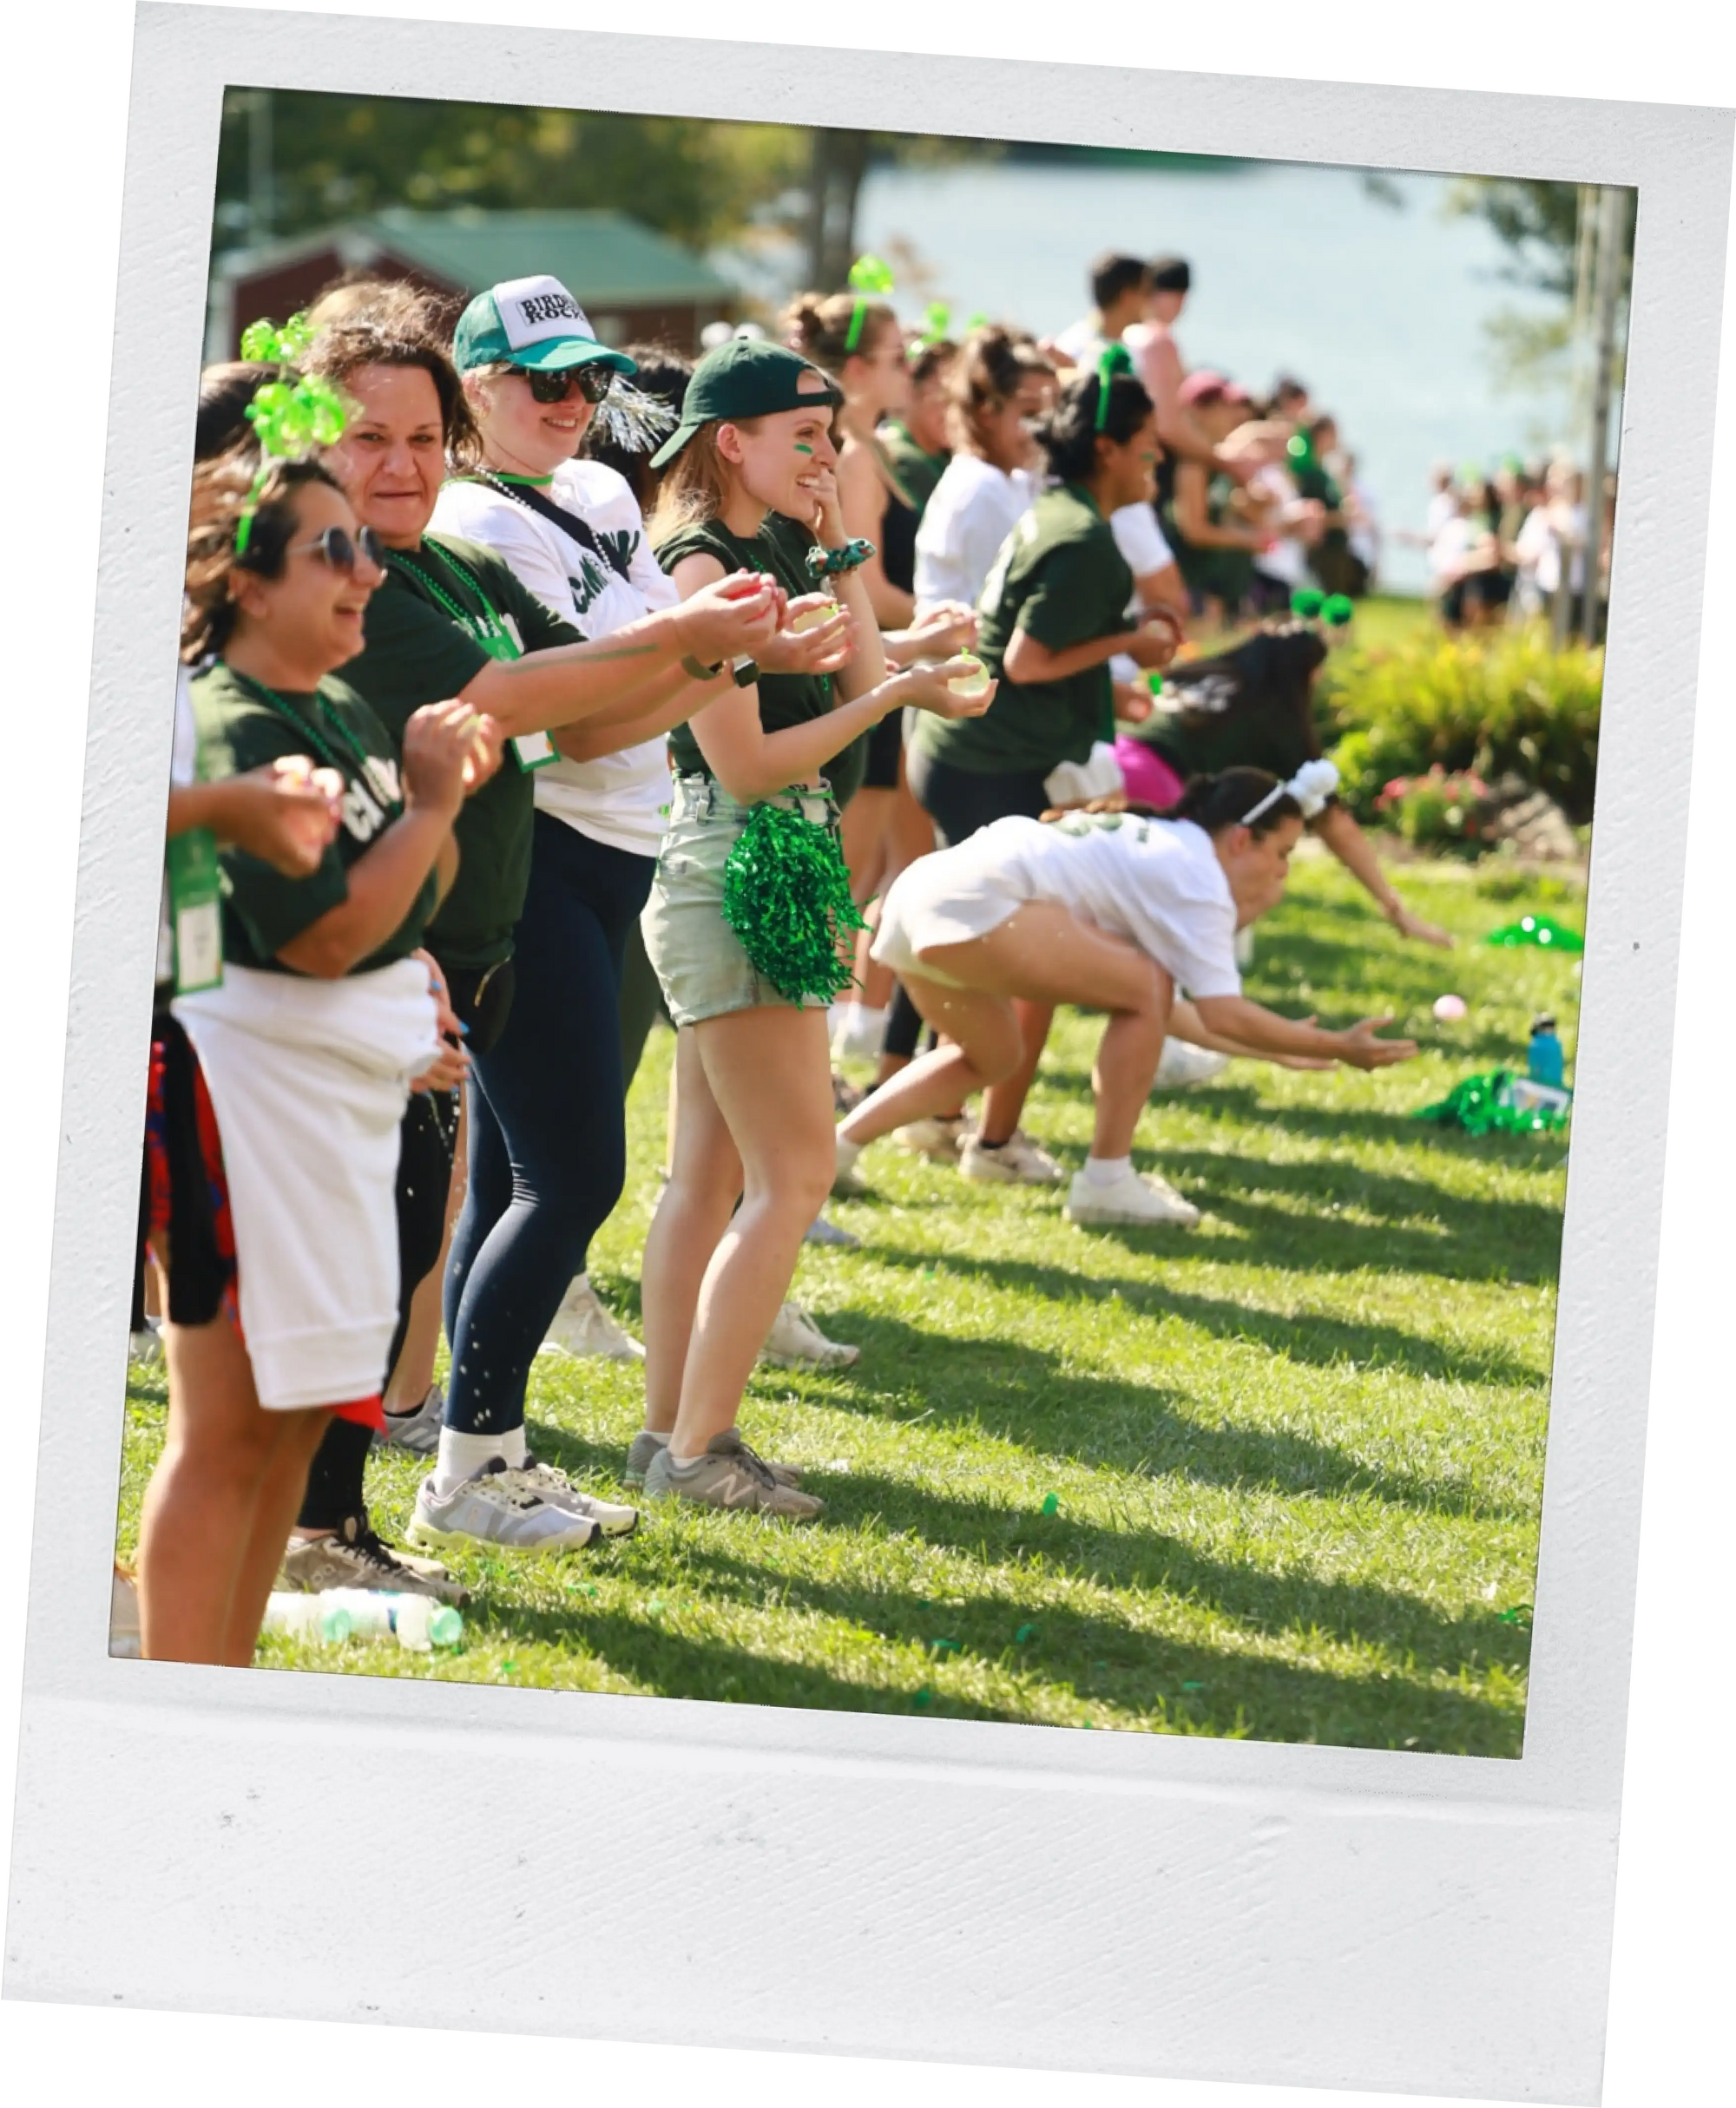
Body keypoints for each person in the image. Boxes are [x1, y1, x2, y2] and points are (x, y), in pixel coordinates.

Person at [293, 297, 784, 1558]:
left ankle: (461, 1460)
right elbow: (502, 693)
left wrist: (724, 654)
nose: (399, 463)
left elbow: (587, 718)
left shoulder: (446, 564)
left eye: (418, 435)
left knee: (471, 1197)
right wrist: (695, 633)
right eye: (367, 438)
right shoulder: (359, 570)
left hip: (472, 925)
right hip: (388, 942)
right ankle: (423, 1478)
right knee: (570, 1178)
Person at [137, 444, 503, 1664]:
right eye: (330, 549)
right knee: (228, 1435)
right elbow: (335, 928)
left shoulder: (343, 709)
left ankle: (220, 1690)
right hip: (245, 1115)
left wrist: (417, 987)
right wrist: (438, 804)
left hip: (337, 1113)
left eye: (368, 545)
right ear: (244, 581)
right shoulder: (227, 718)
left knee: (297, 1428)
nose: (366, 571)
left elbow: (407, 907)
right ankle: (176, 1702)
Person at [635, 337, 991, 1517]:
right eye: (806, 438)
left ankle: (667, 1438)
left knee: (711, 1175)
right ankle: (701, 1450)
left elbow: (863, 676)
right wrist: (894, 694)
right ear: (728, 442)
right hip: (741, 858)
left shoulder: (779, 545)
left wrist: (845, 556)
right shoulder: (702, 567)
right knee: (792, 1175)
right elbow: (747, 764)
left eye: (832, 438)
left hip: (763, 858)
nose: (827, 457)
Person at [833, 765, 1417, 1228]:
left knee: (993, 1057)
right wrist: (1334, 1044)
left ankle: (837, 1148)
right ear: (1241, 840)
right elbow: (1210, 1009)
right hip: (972, 903)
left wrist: (1278, 1047)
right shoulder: (1197, 876)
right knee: (1144, 985)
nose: (1282, 873)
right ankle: (1107, 1181)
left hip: (914, 902)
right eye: (1282, 853)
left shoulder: (1164, 848)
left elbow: (1168, 1013)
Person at [899, 356, 1180, 1191]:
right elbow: (1026, 658)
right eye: (1148, 451)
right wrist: (1131, 644)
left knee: (982, 954)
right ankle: (982, 1138)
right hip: (991, 765)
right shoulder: (1087, 540)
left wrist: (1107, 689)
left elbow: (1031, 651)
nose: (1156, 467)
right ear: (1106, 448)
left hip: (973, 754)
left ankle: (948, 1118)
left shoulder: (1057, 510)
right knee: (1034, 962)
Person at [1115, 614, 1456, 948]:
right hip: (1155, 784)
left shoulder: (1204, 675)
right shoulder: (1277, 719)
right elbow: (1334, 824)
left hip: (1112, 761)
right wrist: (1393, 906)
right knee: (1262, 885)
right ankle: (1185, 962)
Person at [1123, 258, 1254, 486]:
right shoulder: (1159, 340)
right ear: (1181, 298)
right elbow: (1168, 425)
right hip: (1149, 465)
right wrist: (1225, 463)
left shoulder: (1123, 336)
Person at [1161, 374, 1266, 631]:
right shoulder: (1193, 463)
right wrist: (1248, 539)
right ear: (1200, 411)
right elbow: (1194, 530)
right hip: (1188, 583)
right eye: (1225, 407)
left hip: (1208, 584)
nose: (1235, 415)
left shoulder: (1215, 459)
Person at [1051, 253, 1152, 371]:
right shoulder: (1074, 350)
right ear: (1127, 297)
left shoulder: (1134, 346)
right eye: (1147, 293)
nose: (1152, 301)